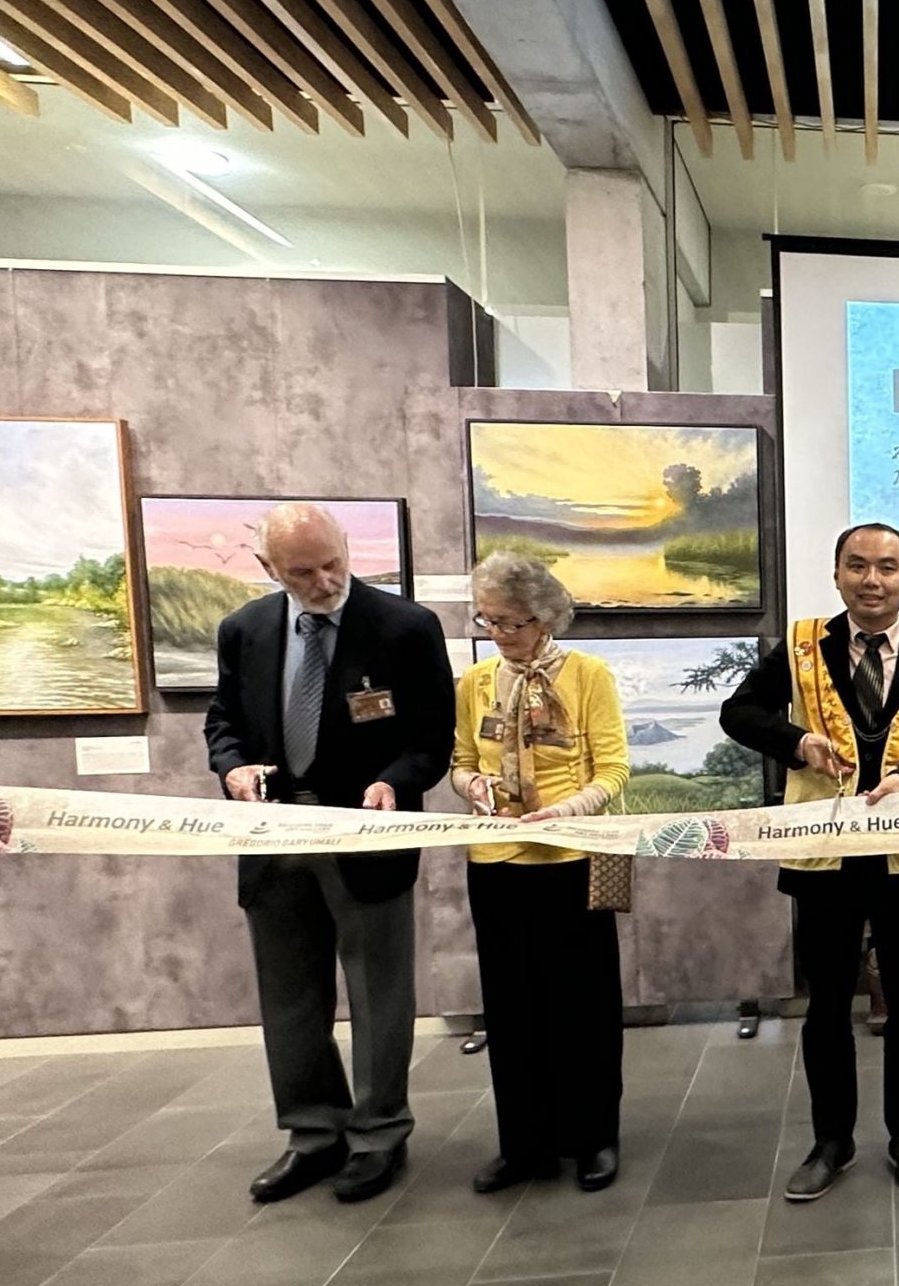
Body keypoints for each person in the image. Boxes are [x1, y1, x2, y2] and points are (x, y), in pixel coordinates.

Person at [721, 523, 899, 1202]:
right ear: (836, 574)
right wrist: (796, 740)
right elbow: (737, 712)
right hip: (824, 857)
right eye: (858, 566)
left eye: (887, 567)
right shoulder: (803, 644)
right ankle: (830, 1141)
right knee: (828, 1005)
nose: (873, 580)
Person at [203, 503, 453, 1204]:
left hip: (367, 839)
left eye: (333, 563)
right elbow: (223, 722)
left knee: (379, 993)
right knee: (288, 994)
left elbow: (432, 737)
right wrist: (232, 769)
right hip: (274, 837)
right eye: (303, 572)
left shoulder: (405, 626)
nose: (324, 581)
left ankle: (378, 1134)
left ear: (346, 548)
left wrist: (393, 781)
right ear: (268, 569)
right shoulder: (244, 629)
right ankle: (313, 1132)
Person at [448, 553, 629, 1194]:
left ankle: (593, 1138)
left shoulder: (587, 675)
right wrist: (473, 786)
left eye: (512, 622)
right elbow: (460, 761)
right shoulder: (475, 682)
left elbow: (614, 771)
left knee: (583, 1007)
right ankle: (523, 1144)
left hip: (570, 861)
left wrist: (564, 813)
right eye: (488, 620)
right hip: (496, 864)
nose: (499, 634)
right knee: (510, 1007)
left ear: (545, 618)